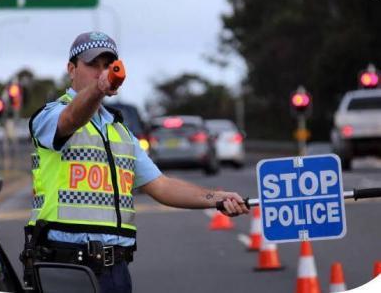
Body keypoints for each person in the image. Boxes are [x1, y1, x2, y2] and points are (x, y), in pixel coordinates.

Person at [23, 31, 249, 293]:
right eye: (92, 65)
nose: (101, 72)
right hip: (66, 267)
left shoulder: (120, 131)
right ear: (71, 69)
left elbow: (161, 186)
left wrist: (217, 198)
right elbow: (70, 120)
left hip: (116, 271)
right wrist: (98, 89)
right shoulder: (49, 115)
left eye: (108, 65)